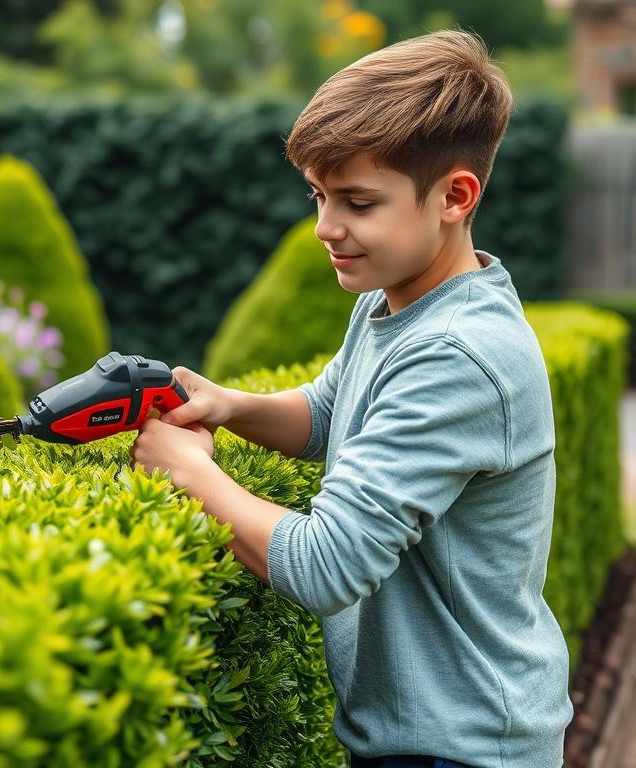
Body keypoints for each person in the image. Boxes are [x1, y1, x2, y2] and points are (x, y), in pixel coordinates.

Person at [130, 28, 573, 768]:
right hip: (427, 735)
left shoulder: (458, 355)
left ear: (456, 196)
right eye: (319, 195)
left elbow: (327, 565)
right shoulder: (393, 302)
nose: (325, 228)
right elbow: (333, 414)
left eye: (358, 203)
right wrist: (229, 405)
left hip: (460, 749)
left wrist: (188, 472)